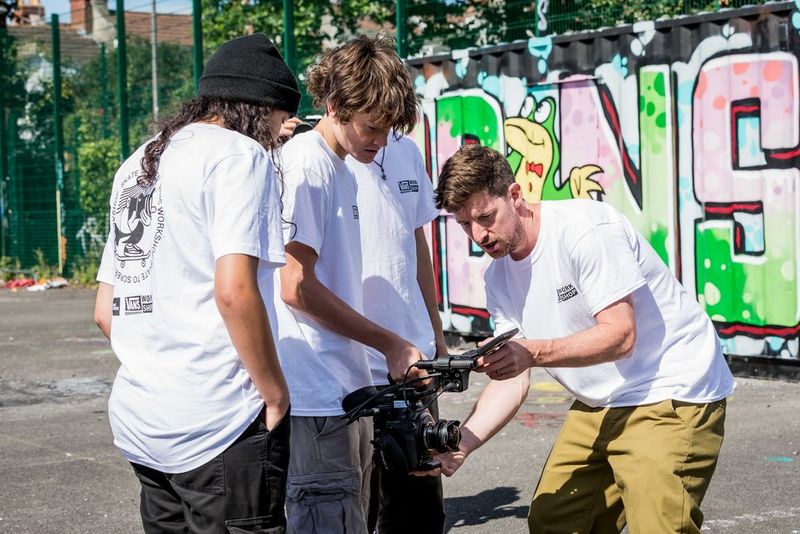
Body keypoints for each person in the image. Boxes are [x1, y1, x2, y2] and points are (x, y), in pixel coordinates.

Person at [431, 144, 736, 534]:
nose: (478, 235)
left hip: (670, 388)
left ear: (515, 194)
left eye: (485, 217)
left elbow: (621, 335)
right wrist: (462, 444)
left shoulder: (584, 229)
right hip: (600, 402)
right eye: (464, 225)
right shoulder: (498, 277)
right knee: (555, 523)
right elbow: (514, 379)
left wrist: (532, 352)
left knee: (659, 527)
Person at [93, 34, 299, 533]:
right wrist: (275, 394)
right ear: (261, 106)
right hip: (219, 422)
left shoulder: (139, 161)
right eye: (281, 118)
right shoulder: (240, 155)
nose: (280, 133)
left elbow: (105, 310)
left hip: (143, 421)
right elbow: (234, 291)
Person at [273, 35, 426, 533]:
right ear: (335, 105)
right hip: (317, 392)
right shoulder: (307, 163)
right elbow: (294, 285)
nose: (380, 140)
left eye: (388, 128)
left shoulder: (338, 166)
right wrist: (390, 343)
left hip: (345, 388)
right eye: (371, 126)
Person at [345, 134, 448, 533]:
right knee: (359, 510)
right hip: (356, 369)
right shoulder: (323, 156)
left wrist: (436, 335)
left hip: (414, 363)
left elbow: (416, 244)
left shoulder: (406, 149)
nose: (383, 132)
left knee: (421, 510)